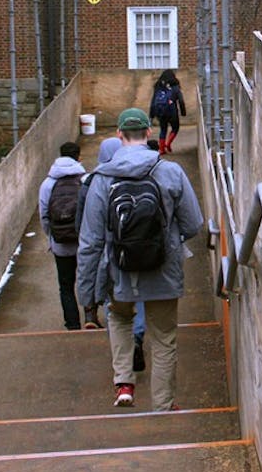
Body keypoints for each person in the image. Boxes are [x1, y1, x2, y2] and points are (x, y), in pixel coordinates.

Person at [77, 108, 202, 410]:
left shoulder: (102, 179)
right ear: (148, 133)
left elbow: (90, 241)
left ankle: (124, 382)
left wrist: (86, 294)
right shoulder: (170, 172)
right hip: (163, 270)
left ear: (119, 135)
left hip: (120, 271)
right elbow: (193, 224)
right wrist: (168, 239)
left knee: (119, 317)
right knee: (164, 338)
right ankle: (162, 406)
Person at [75, 135, 147, 370]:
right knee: (140, 294)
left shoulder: (93, 183)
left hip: (111, 254)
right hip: (140, 248)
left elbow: (86, 230)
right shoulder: (141, 174)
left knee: (113, 301)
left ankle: (123, 359)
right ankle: (138, 335)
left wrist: (86, 294)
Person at [38, 142, 98, 330]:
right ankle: (90, 317)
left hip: (61, 245)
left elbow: (44, 216)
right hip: (85, 242)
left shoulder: (47, 184)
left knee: (66, 286)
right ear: (78, 157)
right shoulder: (86, 179)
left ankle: (72, 325)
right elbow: (94, 210)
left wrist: (53, 237)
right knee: (88, 280)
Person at [149, 69, 186, 155]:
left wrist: (151, 114)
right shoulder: (175, 86)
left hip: (160, 111)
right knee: (175, 128)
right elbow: (181, 100)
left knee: (163, 129)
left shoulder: (158, 86)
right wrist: (183, 112)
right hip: (172, 111)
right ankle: (168, 143)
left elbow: (153, 100)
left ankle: (162, 149)